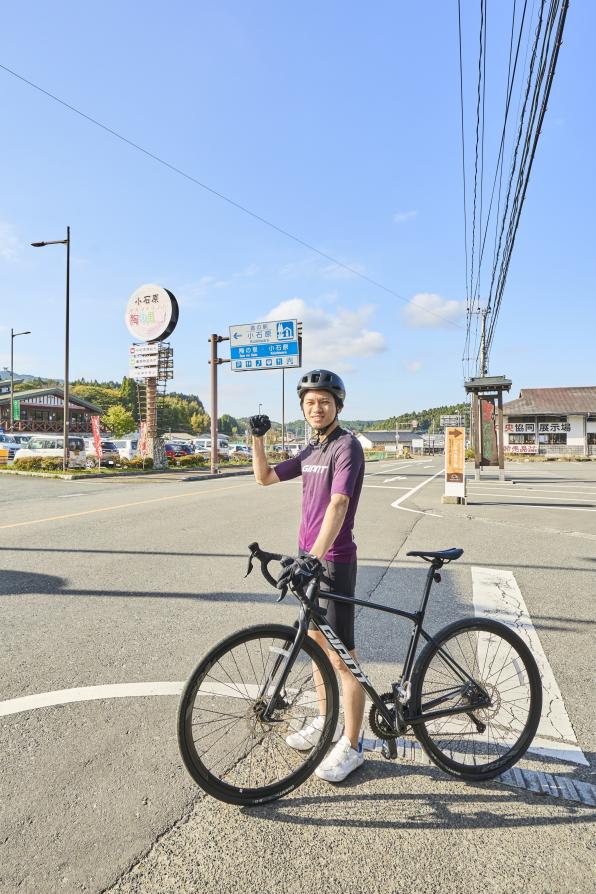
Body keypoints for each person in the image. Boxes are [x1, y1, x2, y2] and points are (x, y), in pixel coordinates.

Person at [249, 369, 366, 783]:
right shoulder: (312, 450)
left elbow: (337, 505)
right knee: (316, 645)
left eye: (325, 402)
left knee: (342, 657)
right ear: (303, 408)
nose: (317, 408)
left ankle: (353, 745)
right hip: (310, 560)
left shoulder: (345, 447)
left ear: (338, 405)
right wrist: (257, 439)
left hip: (332, 561)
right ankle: (324, 718)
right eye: (310, 402)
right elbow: (264, 478)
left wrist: (315, 558)